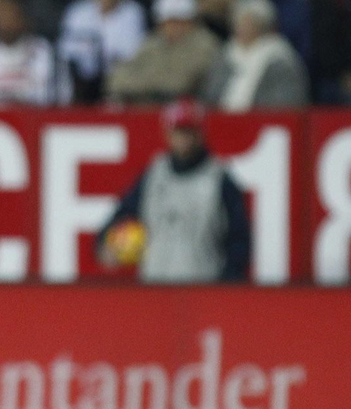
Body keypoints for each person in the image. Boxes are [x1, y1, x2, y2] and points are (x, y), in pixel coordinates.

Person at [97, 100, 251, 284]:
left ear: (200, 133)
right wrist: (106, 243)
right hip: (155, 288)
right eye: (178, 131)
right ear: (167, 133)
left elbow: (239, 240)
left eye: (189, 131)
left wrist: (227, 284)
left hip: (203, 288)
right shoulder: (154, 176)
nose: (183, 138)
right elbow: (122, 214)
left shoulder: (218, 179)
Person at [106, 0, 220, 103]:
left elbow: (179, 84)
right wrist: (153, 83)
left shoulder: (205, 44)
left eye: (181, 21)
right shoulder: (152, 42)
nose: (174, 27)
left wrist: (144, 81)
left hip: (186, 112)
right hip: (146, 109)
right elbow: (116, 79)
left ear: (192, 21)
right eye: (169, 21)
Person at [202, 0, 309, 110]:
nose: (242, 29)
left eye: (249, 24)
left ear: (262, 26)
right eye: (239, 23)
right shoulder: (225, 55)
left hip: (264, 123)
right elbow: (211, 95)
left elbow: (287, 103)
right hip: (221, 121)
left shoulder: (279, 59)